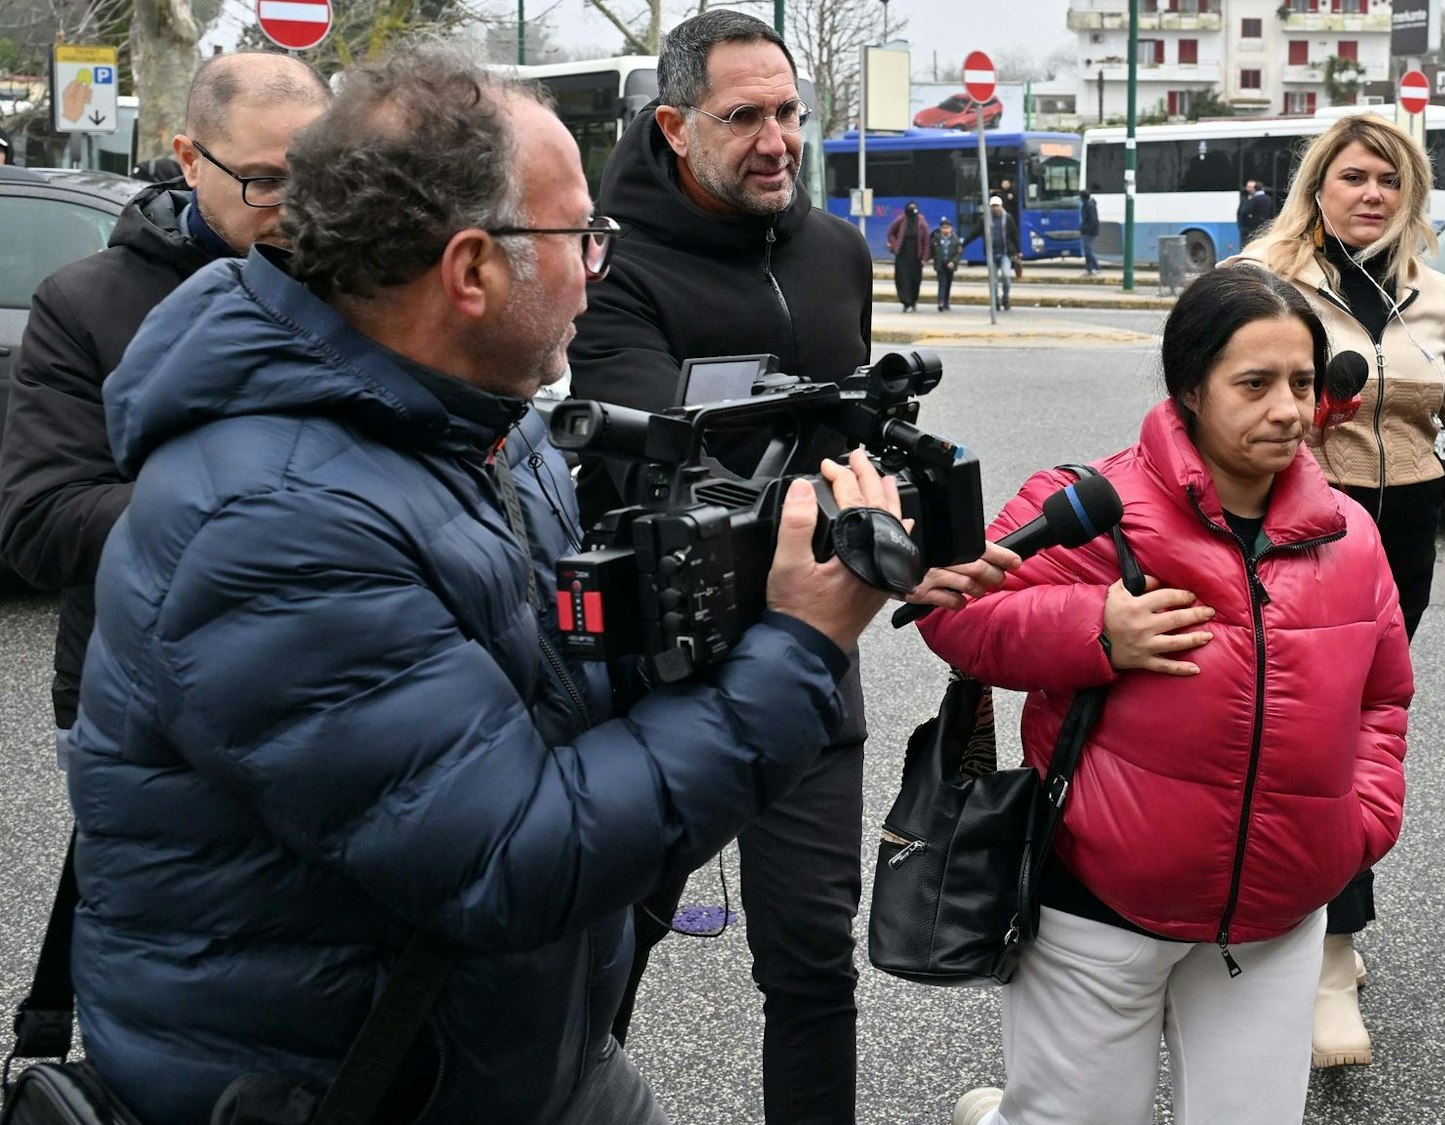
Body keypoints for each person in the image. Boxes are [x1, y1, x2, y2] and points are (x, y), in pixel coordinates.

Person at [62, 46, 918, 1125]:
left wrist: (744, 586)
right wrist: (799, 646)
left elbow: (572, 696)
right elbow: (512, 857)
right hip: (355, 1090)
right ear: (470, 273)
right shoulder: (271, 520)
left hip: (508, 1060)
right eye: (580, 239)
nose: (598, 268)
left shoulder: (478, 426)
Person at [565, 13, 1013, 1122]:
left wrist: (905, 556)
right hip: (654, 672)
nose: (778, 140)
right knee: (599, 962)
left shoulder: (833, 250)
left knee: (812, 965)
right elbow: (647, 477)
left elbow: (848, 453)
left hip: (812, 654)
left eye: (790, 113)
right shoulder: (608, 262)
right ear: (672, 126)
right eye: (744, 117)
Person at [924, 263, 1412, 1125]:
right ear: (1190, 387)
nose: (1288, 410)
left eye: (1301, 382)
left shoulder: (1352, 534)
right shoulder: (1091, 508)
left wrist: (1359, 823)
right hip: (1096, 912)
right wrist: (1095, 630)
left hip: (1278, 919)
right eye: (1254, 384)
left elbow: (1383, 696)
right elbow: (955, 616)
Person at [1232, 111, 1445, 1068]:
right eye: (1353, 177)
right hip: (1294, 530)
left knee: (1360, 727)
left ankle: (1321, 919)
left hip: (1400, 536)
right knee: (1307, 726)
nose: (1371, 194)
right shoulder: (1263, 279)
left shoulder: (1434, 293)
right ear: (1318, 187)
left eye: (1390, 180)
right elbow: (1205, 393)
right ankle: (1330, 955)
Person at [0, 51, 329, 758]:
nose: (297, 210)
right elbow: (39, 522)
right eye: (266, 181)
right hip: (142, 696)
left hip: (330, 682)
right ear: (188, 159)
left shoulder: (367, 285)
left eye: (320, 179)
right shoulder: (84, 303)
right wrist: (269, 505)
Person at [887, 199, 929, 312]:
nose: (912, 211)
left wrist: (925, 257)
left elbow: (926, 241)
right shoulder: (901, 219)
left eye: (914, 208)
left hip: (916, 256)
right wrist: (894, 245)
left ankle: (914, 300)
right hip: (903, 255)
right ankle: (906, 302)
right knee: (902, 279)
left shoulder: (921, 222)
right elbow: (890, 232)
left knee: (915, 280)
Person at [985, 194, 1018, 310]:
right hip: (992, 255)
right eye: (992, 206)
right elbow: (976, 232)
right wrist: (963, 244)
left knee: (1006, 276)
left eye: (996, 206)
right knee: (993, 280)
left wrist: (1018, 251)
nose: (994, 208)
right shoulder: (986, 219)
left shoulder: (1007, 218)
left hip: (1005, 253)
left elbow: (1014, 234)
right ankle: (995, 301)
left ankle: (1006, 298)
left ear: (1001, 206)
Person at [931, 214, 963, 311]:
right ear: (940, 229)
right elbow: (933, 251)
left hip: (950, 265)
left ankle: (946, 301)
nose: (945, 230)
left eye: (947, 228)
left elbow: (958, 253)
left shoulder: (955, 240)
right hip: (940, 264)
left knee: (948, 283)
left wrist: (953, 262)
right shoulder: (936, 239)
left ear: (951, 229)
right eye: (943, 228)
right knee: (942, 283)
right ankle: (940, 302)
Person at [1236, 179, 1275, 248]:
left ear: (1255, 189)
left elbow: (1244, 211)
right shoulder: (1269, 199)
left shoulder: (1253, 200)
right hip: (1265, 227)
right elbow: (1272, 213)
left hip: (1251, 229)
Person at [999, 176, 1023, 279]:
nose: (1004, 185)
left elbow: (1016, 206)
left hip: (1010, 220)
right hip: (1002, 221)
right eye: (1003, 183)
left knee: (1011, 240)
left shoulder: (1013, 193)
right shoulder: (999, 194)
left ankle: (1014, 261)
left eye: (1006, 183)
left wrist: (1011, 198)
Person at [1079, 187, 1101, 275]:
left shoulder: (1089, 206)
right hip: (1088, 230)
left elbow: (1093, 220)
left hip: (1089, 231)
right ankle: (1089, 268)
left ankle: (1095, 266)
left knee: (1088, 249)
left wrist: (1085, 228)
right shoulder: (1088, 205)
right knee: (1087, 249)